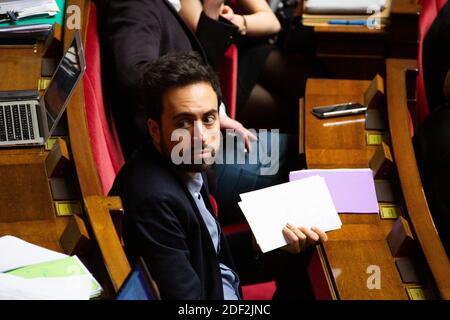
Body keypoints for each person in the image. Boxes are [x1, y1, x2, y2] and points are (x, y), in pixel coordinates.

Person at [109, 53, 328, 300]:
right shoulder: (155, 202)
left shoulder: (186, 161)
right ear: (155, 129)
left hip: (222, 283)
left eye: (209, 118)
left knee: (309, 254)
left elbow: (209, 255)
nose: (201, 135)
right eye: (184, 122)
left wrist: (263, 241)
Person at [101, 0, 256, 157]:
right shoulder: (135, 5)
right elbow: (134, 74)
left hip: (208, 135)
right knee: (279, 157)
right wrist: (202, 112)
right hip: (186, 155)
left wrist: (212, 10)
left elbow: (198, 61)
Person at [179, 0, 312, 132]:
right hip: (217, 69)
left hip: (248, 51)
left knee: (306, 80)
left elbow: (273, 23)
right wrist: (214, 8)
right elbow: (207, 44)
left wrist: (238, 21)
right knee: (290, 109)